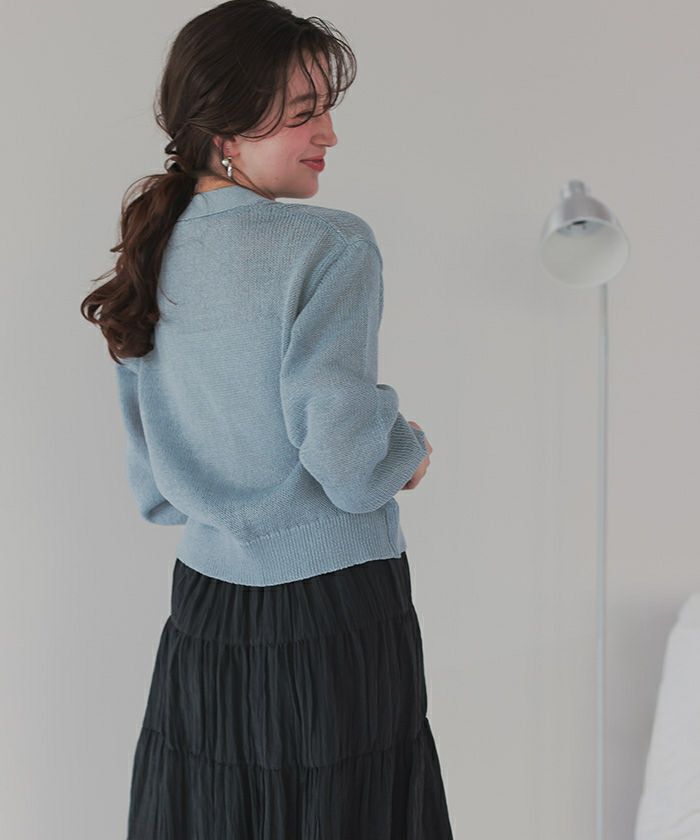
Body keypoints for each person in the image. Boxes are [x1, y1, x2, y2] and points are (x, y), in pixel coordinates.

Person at [80, 0, 453, 836]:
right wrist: (408, 445)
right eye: (303, 112)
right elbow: (350, 466)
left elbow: (155, 491)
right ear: (225, 130)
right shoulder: (330, 246)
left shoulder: (153, 249)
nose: (330, 134)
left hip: (205, 615)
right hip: (335, 612)